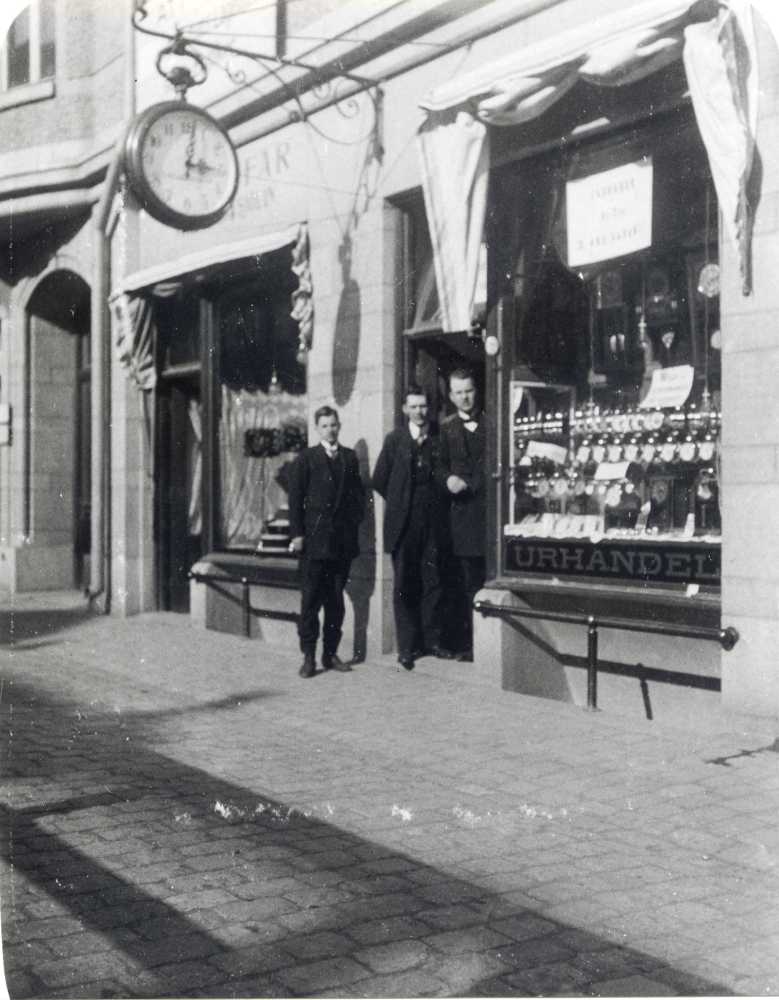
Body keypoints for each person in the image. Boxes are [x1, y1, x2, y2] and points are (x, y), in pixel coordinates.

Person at [372, 386, 453, 671]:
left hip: (434, 522)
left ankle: (433, 642)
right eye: (414, 407)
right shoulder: (395, 440)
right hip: (404, 524)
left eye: (423, 407)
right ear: (405, 409)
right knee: (405, 583)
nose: (419, 412)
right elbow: (379, 479)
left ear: (429, 408)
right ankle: (407, 648)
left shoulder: (440, 438)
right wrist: (401, 501)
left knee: (433, 581)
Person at [288, 406, 365, 678]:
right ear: (317, 429)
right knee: (310, 602)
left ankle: (330, 654)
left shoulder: (350, 458)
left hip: (341, 545)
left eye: (334, 425)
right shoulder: (306, 459)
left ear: (339, 426)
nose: (330, 430)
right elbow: (295, 500)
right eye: (324, 426)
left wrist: (353, 523)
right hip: (313, 544)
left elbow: (359, 497)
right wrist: (297, 534)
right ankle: (308, 656)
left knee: (336, 603)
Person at [437, 369, 486, 659]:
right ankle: (473, 645)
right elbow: (439, 467)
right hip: (463, 518)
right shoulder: (446, 428)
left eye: (468, 390)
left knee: (487, 579)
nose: (465, 397)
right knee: (468, 583)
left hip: (488, 513)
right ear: (451, 396)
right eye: (459, 393)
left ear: (475, 390)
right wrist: (448, 481)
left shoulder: (492, 421)